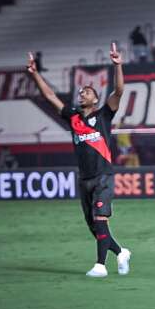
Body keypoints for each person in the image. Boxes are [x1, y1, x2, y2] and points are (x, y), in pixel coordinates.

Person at [26, 44, 131, 278]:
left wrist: (118, 66)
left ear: (95, 99)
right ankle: (121, 252)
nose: (82, 92)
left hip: (104, 176)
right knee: (94, 226)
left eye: (87, 91)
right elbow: (50, 96)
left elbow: (119, 91)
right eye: (81, 91)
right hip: (84, 179)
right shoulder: (73, 117)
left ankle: (100, 265)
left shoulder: (104, 114)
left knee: (100, 218)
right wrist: (34, 74)